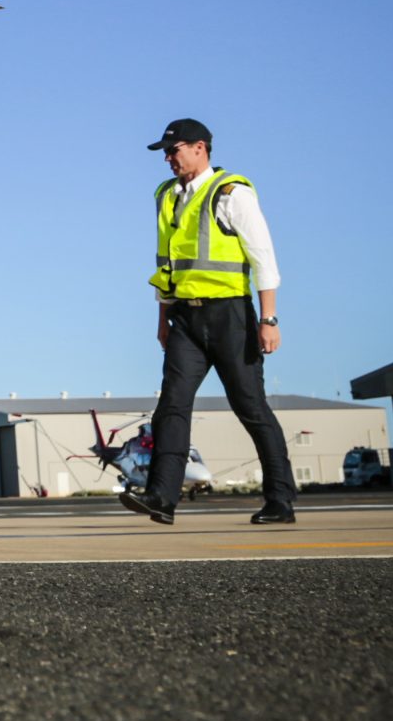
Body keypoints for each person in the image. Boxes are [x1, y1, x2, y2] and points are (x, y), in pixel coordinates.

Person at [123, 118, 297, 525]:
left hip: (230, 316)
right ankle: (161, 498)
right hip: (184, 317)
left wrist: (268, 319)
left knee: (250, 407)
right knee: (171, 407)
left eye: (174, 149)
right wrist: (163, 318)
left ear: (200, 147)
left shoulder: (231, 192)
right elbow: (165, 263)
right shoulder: (166, 195)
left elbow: (263, 257)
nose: (168, 158)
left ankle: (280, 500)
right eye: (165, 152)